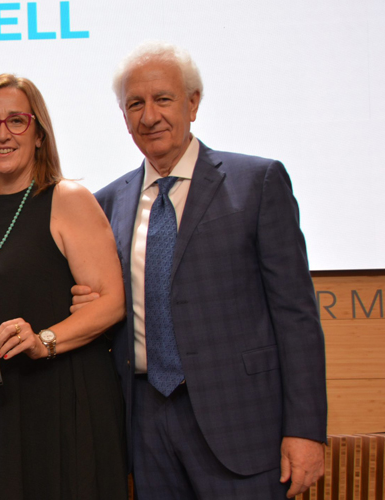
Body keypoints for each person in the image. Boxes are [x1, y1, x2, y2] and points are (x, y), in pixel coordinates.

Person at [76, 41, 327, 499]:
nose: (149, 116)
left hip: (241, 422)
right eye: (135, 104)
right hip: (146, 424)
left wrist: (306, 430)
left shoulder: (257, 183)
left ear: (193, 103)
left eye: (163, 99)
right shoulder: (107, 203)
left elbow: (296, 316)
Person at [0, 74, 128, 499]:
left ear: (39, 134)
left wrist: (45, 339)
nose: (2, 133)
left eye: (16, 121)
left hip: (60, 401)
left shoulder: (68, 198)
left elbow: (112, 302)